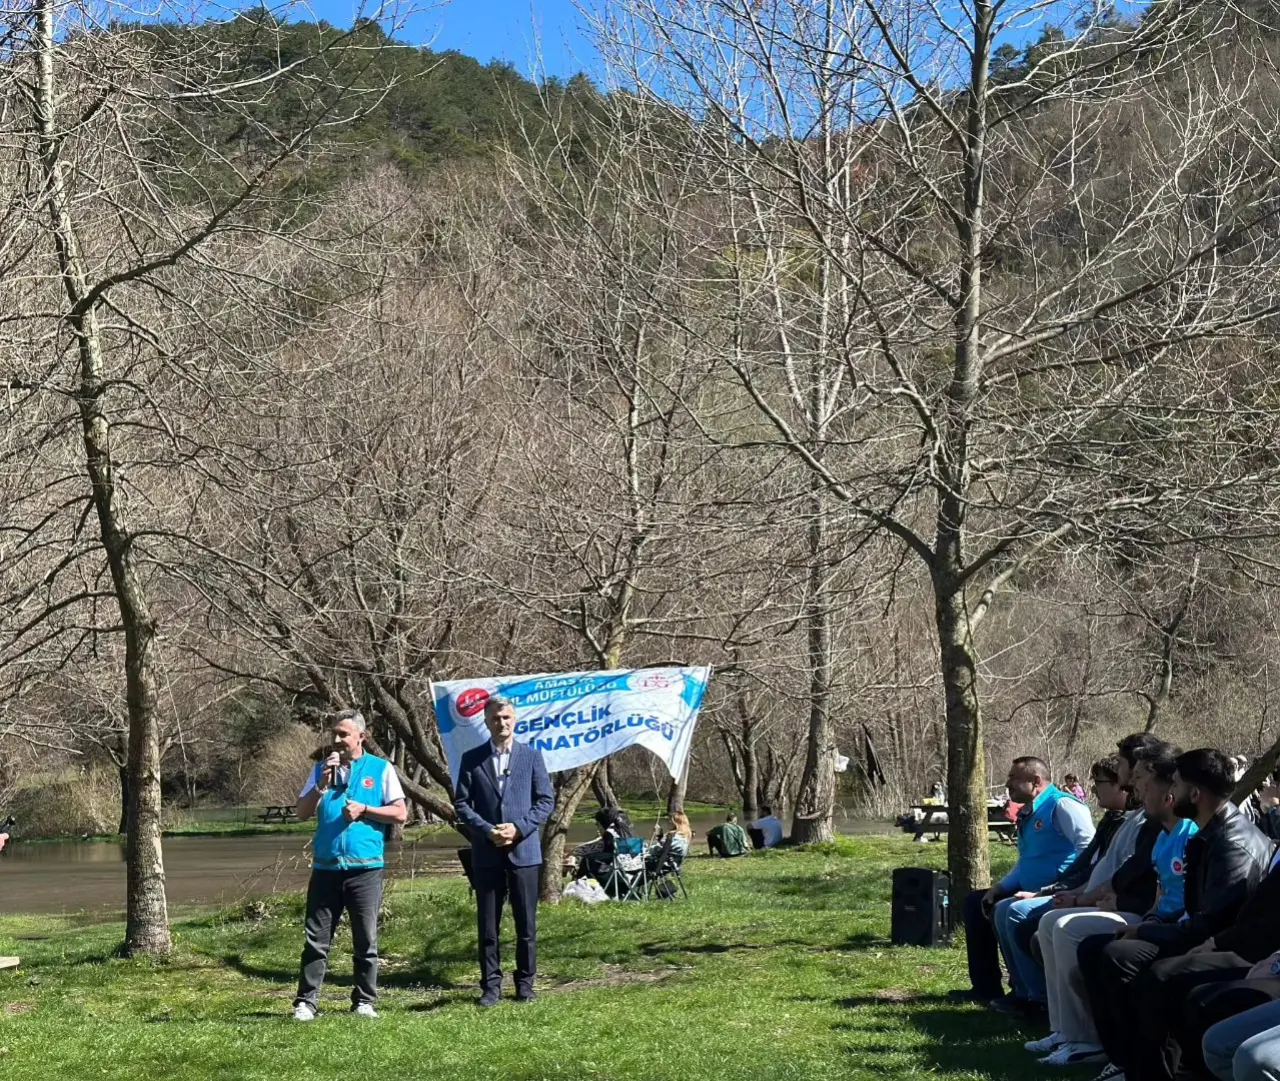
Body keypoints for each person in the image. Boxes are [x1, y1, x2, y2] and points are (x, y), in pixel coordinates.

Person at [1077, 748, 1273, 1081]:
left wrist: (1146, 932)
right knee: (1095, 948)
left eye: (1177, 785)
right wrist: (1153, 924)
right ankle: (1126, 1061)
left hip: (1230, 944)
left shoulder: (1231, 843)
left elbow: (1213, 923)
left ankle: (1154, 1071)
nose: (1171, 793)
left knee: (1141, 966)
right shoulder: (1208, 832)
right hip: (1204, 934)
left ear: (1195, 794)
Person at [1030, 743, 1170, 1066]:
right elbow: (1103, 866)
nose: (1130, 780)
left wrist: (1103, 899)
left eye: (1130, 770)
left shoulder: (1154, 824)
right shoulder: (1133, 820)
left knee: (1065, 927)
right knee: (1051, 923)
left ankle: (1087, 1038)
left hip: (1139, 911)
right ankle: (1065, 1029)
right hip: (1121, 904)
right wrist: (1081, 894)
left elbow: (1141, 875)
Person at [951, 755, 1094, 1014]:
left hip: (1059, 892)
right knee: (982, 902)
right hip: (1029, 889)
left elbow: (1090, 849)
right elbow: (1028, 861)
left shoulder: (1062, 806)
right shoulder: (1029, 812)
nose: (1008, 784)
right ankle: (1010, 988)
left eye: (1014, 778)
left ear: (1036, 781)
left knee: (1011, 910)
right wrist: (1000, 887)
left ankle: (1037, 998)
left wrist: (1060, 888)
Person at [292, 709, 407, 1022]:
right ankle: (306, 1002)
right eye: (335, 734)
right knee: (316, 939)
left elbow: (400, 813)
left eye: (344, 734)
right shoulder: (320, 770)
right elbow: (301, 813)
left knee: (365, 940)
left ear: (361, 737)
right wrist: (321, 785)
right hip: (327, 868)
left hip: (365, 868)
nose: (338, 739)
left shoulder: (381, 769)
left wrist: (366, 809)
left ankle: (364, 1001)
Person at [454, 695, 555, 1007]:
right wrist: (487, 831)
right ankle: (491, 987)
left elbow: (545, 801)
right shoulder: (471, 759)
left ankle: (525, 985)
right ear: (486, 721)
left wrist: (520, 828)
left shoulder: (531, 757)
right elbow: (461, 804)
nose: (502, 723)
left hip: (524, 852)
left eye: (507, 717)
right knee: (488, 925)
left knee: (526, 925)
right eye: (496, 718)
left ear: (515, 720)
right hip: (486, 853)